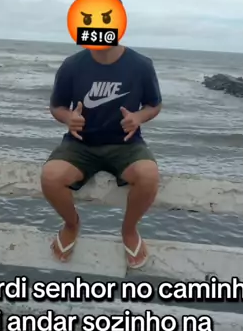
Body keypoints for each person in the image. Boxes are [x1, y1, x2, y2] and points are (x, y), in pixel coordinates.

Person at [41, 40, 162, 269]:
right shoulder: (72, 65)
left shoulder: (141, 65)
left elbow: (154, 104)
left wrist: (138, 117)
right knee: (50, 176)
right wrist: (68, 118)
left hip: (126, 144)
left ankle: (129, 229)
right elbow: (57, 106)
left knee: (148, 175)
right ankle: (71, 224)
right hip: (80, 144)